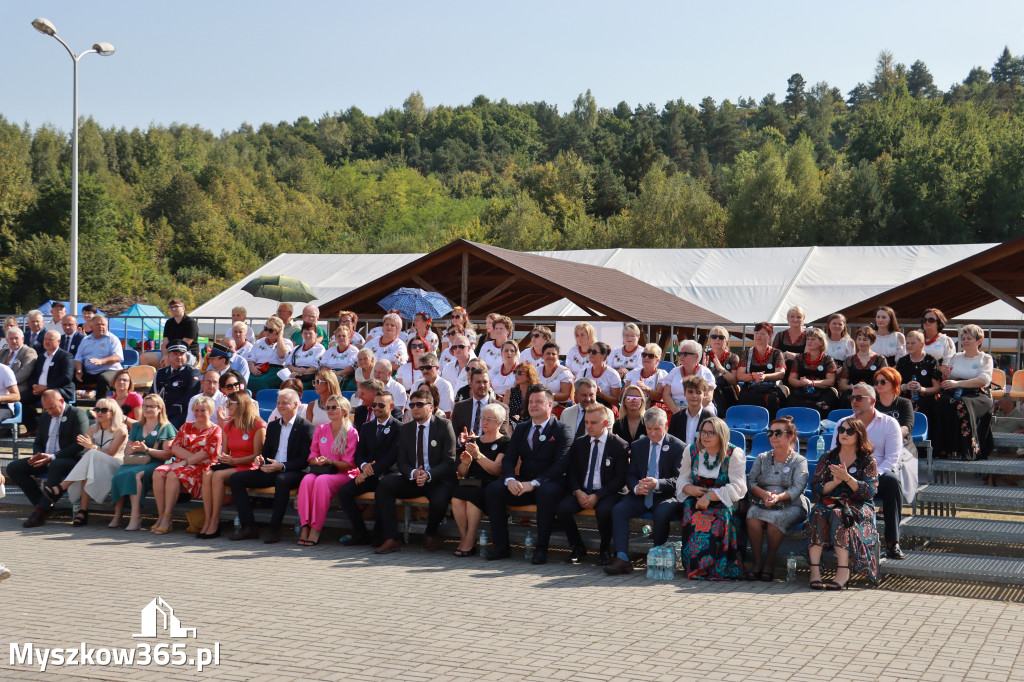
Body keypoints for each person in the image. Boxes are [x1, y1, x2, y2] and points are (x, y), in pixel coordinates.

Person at [484, 387, 572, 564]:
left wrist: (535, 483)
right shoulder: (522, 428)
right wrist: (509, 479)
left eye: (538, 402)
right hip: (522, 485)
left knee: (545, 492)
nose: (533, 405)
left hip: (550, 484)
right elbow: (509, 459)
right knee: (493, 489)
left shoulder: (562, 430)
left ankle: (541, 549)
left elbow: (560, 465)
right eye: (531, 402)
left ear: (549, 405)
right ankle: (501, 546)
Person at [661, 416, 747, 580]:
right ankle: (694, 566)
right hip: (697, 497)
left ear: (721, 435)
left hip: (726, 499)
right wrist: (690, 489)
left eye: (710, 433)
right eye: (703, 432)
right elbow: (682, 479)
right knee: (690, 511)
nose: (705, 436)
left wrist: (711, 496)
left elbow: (739, 486)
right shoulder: (691, 450)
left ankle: (717, 567)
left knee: (720, 517)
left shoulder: (733, 453)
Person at [373, 388, 457, 554]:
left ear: (431, 407)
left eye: (420, 404)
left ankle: (430, 533)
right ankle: (392, 538)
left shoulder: (444, 425)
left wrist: (428, 474)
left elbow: (449, 460)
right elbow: (402, 461)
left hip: (437, 478)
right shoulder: (406, 429)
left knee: (440, 500)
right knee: (385, 486)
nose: (415, 408)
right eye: (412, 405)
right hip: (413, 477)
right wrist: (413, 473)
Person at [605, 408, 684, 575]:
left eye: (657, 429)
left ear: (666, 426)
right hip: (641, 494)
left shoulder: (679, 447)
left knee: (662, 512)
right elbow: (631, 473)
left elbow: (679, 479)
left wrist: (657, 484)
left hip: (666, 495)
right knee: (619, 510)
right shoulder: (638, 445)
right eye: (649, 429)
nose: (653, 433)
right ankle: (622, 558)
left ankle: (657, 554)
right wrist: (635, 487)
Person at [229, 388, 315, 543]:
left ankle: (274, 529)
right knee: (236, 478)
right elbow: (266, 452)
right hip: (272, 469)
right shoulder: (274, 425)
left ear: (295, 405)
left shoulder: (306, 427)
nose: (280, 406)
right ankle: (249, 527)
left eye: (284, 403)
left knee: (281, 480)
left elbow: (305, 460)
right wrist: (260, 460)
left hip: (294, 471)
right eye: (278, 403)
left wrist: (281, 466)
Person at [805, 418, 880, 589]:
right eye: (841, 430)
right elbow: (816, 488)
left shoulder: (867, 460)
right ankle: (815, 571)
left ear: (859, 435)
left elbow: (869, 492)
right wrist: (836, 482)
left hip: (858, 506)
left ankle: (843, 571)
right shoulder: (829, 457)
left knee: (840, 515)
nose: (844, 434)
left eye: (850, 431)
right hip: (831, 501)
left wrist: (847, 478)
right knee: (818, 513)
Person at [557, 404, 629, 566]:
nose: (588, 426)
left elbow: (619, 479)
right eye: (587, 422)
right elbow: (572, 472)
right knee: (563, 508)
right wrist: (577, 492)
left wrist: (598, 496)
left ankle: (604, 550)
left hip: (608, 492)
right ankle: (577, 547)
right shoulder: (580, 443)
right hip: (583, 491)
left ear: (605, 423)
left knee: (604, 511)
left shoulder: (619, 445)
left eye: (593, 423)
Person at [6, 390, 89, 527]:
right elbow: (38, 441)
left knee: (56, 464)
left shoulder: (77, 414)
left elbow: (79, 446)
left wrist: (53, 457)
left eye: (52, 408)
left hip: (70, 460)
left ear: (61, 401)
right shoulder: (46, 416)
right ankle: (44, 504)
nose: (49, 412)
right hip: (47, 457)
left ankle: (40, 512)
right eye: (46, 409)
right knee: (14, 468)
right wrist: (37, 455)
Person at [41, 398, 128, 527]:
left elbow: (111, 453)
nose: (99, 412)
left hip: (115, 463)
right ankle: (82, 511)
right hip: (95, 462)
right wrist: (91, 447)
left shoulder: (121, 430)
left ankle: (63, 487)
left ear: (113, 413)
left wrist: (92, 447)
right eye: (97, 409)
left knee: (91, 455)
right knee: (88, 467)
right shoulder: (92, 428)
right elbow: (89, 451)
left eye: (104, 410)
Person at [746, 416, 810, 580]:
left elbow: (798, 488)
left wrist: (778, 498)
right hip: (763, 501)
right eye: (770, 432)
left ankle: (769, 562)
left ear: (791, 436)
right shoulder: (762, 458)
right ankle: (757, 562)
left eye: (778, 433)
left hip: (792, 504)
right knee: (752, 515)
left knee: (776, 519)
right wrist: (764, 494)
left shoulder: (799, 461)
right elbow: (751, 481)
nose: (773, 436)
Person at [196, 392, 266, 539]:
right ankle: (208, 519)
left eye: (230, 404)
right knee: (207, 473)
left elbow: (258, 455)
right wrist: (223, 458)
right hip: (232, 464)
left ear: (241, 405)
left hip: (248, 467)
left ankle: (215, 521)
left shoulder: (258, 425)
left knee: (217, 475)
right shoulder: (228, 426)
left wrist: (234, 461)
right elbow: (226, 452)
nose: (227, 407)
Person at [150, 396, 222, 535]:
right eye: (196, 410)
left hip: (202, 468)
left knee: (173, 474)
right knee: (158, 472)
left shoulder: (215, 430)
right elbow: (175, 448)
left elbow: (207, 453)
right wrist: (191, 459)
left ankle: (167, 518)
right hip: (184, 463)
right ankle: (161, 516)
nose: (199, 413)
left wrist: (186, 461)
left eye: (203, 410)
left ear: (210, 411)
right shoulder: (186, 426)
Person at [336, 390, 401, 546]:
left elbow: (392, 457)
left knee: (382, 493)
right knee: (344, 492)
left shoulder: (399, 427)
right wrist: (364, 467)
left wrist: (368, 473)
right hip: (369, 474)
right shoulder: (367, 427)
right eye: (374, 405)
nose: (376, 408)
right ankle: (361, 533)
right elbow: (359, 454)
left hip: (389, 475)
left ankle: (380, 535)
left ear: (391, 406)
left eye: (381, 405)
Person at [297, 394, 359, 546]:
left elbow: (349, 464)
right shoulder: (321, 429)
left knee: (321, 482)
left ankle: (316, 529)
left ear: (344, 411)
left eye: (334, 407)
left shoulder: (351, 433)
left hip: (343, 474)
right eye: (327, 408)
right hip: (321, 470)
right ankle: (304, 526)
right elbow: (312, 455)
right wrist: (316, 460)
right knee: (306, 480)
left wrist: (330, 461)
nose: (329, 410)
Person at [108, 394, 177, 531]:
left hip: (156, 462)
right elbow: (127, 451)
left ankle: (135, 516)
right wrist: (133, 449)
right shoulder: (137, 426)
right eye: (145, 406)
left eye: (151, 406)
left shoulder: (166, 427)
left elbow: (168, 454)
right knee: (119, 475)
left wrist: (147, 450)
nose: (147, 409)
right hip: (135, 460)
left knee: (135, 475)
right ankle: (117, 515)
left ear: (159, 408)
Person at [872, 367, 920, 557]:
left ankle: (892, 539)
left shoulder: (904, 403)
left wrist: (889, 434)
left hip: (901, 447)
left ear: (894, 384)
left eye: (883, 382)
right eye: (876, 382)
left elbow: (907, 427)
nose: (879, 385)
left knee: (894, 470)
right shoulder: (872, 405)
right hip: (876, 450)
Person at [452, 402, 510, 557]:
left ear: (499, 422)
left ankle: (469, 541)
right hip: (470, 481)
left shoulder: (504, 442)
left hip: (490, 484)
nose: (484, 422)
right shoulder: (474, 441)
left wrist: (478, 455)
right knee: (457, 496)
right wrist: (465, 463)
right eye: (483, 418)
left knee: (473, 497)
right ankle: (465, 538)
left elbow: (496, 470)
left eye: (489, 419)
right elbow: (462, 472)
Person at [933, 324, 994, 461]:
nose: (965, 341)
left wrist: (958, 383)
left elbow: (983, 381)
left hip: (978, 394)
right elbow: (948, 379)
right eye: (963, 338)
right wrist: (945, 375)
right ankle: (943, 449)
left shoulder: (985, 358)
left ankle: (968, 450)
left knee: (963, 404)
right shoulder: (956, 357)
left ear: (979, 341)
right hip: (956, 391)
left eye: (969, 338)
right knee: (942, 403)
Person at [25, 330, 75, 435]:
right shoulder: (41, 357)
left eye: (50, 340)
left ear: (59, 341)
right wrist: (34, 386)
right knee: (20, 399)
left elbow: (66, 378)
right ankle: (33, 428)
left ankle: (51, 431)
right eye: (45, 339)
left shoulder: (66, 356)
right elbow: (34, 375)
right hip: (39, 391)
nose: (47, 342)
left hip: (58, 390)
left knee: (51, 398)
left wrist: (47, 388)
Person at [736, 322, 787, 419]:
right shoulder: (747, 353)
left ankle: (772, 425)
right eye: (756, 333)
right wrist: (753, 376)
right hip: (752, 386)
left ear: (770, 336)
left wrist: (765, 377)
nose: (758, 337)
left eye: (762, 334)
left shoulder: (776, 353)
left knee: (773, 398)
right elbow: (740, 376)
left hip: (772, 387)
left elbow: (781, 373)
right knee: (745, 396)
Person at [786, 327, 839, 416]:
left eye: (813, 339)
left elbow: (830, 381)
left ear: (821, 342)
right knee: (791, 402)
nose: (809, 341)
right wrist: (801, 383)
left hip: (822, 390)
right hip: (801, 389)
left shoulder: (828, 360)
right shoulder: (799, 358)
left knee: (823, 403)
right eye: (808, 339)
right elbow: (791, 378)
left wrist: (812, 383)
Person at [452, 368, 510, 441]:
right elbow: (453, 434)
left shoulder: (502, 408)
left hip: (489, 450)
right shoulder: (460, 407)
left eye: (485, 382)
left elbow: (502, 437)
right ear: (471, 384)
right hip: (464, 449)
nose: (482, 385)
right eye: (478, 382)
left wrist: (478, 440)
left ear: (489, 384)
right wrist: (460, 440)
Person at [660, 339, 716, 415]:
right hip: (676, 410)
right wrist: (674, 409)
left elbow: (708, 397)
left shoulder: (705, 372)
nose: (681, 357)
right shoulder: (674, 372)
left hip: (700, 409)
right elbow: (666, 394)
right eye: (680, 354)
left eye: (685, 354)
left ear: (696, 356)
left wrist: (691, 409)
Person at [74, 315, 124, 399]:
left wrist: (101, 361)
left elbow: (117, 357)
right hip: (90, 372)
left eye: (103, 325)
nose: (101, 327)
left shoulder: (112, 339)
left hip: (110, 371)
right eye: (98, 325)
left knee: (103, 379)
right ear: (91, 327)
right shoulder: (85, 340)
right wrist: (79, 371)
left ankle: (100, 407)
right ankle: (69, 406)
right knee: (69, 377)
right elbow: (78, 358)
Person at [895, 329, 942, 419]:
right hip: (905, 397)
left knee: (922, 405)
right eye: (907, 343)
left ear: (922, 345)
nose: (909, 346)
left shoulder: (931, 361)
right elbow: (895, 385)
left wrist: (922, 389)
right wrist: (905, 386)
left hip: (925, 399)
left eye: (912, 343)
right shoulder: (902, 361)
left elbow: (937, 388)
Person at [154, 341, 202, 428]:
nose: (179, 357)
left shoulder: (192, 373)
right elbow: (153, 394)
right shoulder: (160, 373)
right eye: (175, 354)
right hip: (159, 414)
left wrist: (166, 417)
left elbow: (189, 399)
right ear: (168, 356)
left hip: (181, 417)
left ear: (186, 356)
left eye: (182, 354)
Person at [837, 326, 887, 408]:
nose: (861, 342)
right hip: (852, 394)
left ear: (872, 341)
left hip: (873, 394)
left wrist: (867, 388)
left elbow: (884, 384)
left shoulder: (880, 359)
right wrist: (851, 387)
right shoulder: (849, 360)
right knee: (845, 399)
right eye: (859, 339)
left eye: (865, 339)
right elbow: (842, 385)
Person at [668, 375, 716, 446]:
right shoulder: (676, 417)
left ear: (704, 395)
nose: (694, 396)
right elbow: (671, 442)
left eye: (698, 392)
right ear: (684, 393)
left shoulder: (711, 418)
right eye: (690, 392)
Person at [703, 326, 739, 413]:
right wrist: (703, 370)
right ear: (710, 340)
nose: (717, 339)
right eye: (714, 337)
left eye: (721, 337)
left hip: (726, 392)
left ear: (726, 341)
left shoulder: (733, 358)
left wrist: (721, 369)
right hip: (707, 391)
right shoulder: (703, 356)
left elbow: (734, 381)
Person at [623, 343, 668, 407]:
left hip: (652, 410)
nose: (646, 358)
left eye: (650, 356)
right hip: (633, 407)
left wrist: (646, 389)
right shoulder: (633, 373)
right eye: (644, 355)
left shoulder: (662, 375)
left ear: (657, 360)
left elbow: (659, 396)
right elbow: (624, 393)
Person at [1, 327, 38, 402]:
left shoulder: (29, 352)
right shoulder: (2, 352)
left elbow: (24, 373)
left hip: (19, 387)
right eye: (11, 338)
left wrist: (6, 383)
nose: (14, 341)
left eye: (16, 338)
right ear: (7, 340)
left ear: (23, 339)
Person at [582, 342, 622, 410]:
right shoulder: (583, 372)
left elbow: (616, 401)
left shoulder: (612, 374)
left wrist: (601, 394)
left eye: (594, 352)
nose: (591, 353)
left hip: (606, 409)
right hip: (587, 408)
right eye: (590, 351)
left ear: (603, 356)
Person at [286, 323, 326, 389]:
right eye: (305, 333)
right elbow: (288, 365)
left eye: (310, 333)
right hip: (295, 375)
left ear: (316, 334)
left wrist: (300, 373)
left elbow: (315, 368)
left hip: (310, 378)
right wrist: (297, 370)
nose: (307, 335)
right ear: (302, 335)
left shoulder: (319, 348)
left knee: (297, 387)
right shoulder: (296, 349)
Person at [161, 299, 200, 366]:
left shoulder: (190, 322)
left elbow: (184, 345)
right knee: (145, 357)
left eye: (176, 306)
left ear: (183, 308)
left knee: (169, 359)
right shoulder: (169, 323)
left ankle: (169, 375)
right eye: (171, 307)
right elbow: (165, 343)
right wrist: (164, 355)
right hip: (170, 352)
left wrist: (168, 356)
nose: (173, 309)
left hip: (187, 353)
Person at [320, 325, 358, 389]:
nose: (341, 338)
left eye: (344, 336)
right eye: (339, 336)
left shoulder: (354, 350)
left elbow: (351, 369)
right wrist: (330, 373)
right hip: (330, 375)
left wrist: (337, 373)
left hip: (346, 377)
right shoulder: (330, 351)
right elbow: (323, 366)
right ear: (336, 338)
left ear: (349, 337)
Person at [538, 342, 575, 408]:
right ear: (542, 356)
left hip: (558, 408)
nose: (551, 356)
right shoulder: (537, 371)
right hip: (539, 404)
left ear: (557, 356)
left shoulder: (564, 372)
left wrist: (546, 395)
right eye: (548, 353)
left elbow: (566, 395)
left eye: (553, 354)